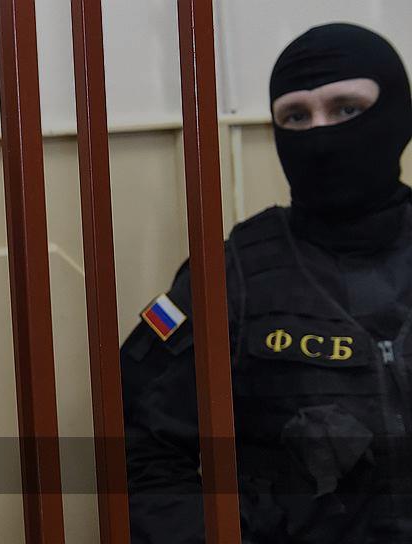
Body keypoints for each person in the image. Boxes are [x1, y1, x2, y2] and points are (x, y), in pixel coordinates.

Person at [122, 23, 412, 543]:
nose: (320, 135)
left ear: (397, 114)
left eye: (346, 109)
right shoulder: (230, 275)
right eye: (296, 116)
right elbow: (139, 448)